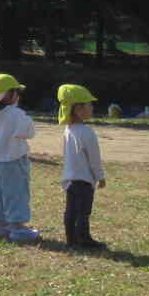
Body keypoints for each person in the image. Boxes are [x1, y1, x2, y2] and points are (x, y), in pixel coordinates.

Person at [0, 73, 39, 242]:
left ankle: (0, 225)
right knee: (17, 193)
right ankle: (17, 227)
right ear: (10, 95)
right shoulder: (16, 114)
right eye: (16, 92)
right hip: (14, 160)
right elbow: (30, 132)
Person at [58, 84, 107, 251]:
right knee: (83, 212)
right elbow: (94, 159)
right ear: (78, 109)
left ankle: (71, 239)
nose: (92, 107)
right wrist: (100, 176)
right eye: (89, 104)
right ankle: (83, 239)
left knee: (71, 210)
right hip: (84, 180)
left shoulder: (68, 130)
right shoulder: (87, 132)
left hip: (70, 179)